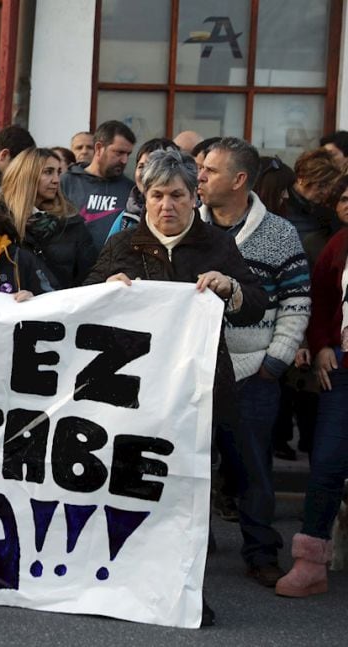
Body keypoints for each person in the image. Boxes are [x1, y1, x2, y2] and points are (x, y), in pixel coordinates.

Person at [84, 149, 267, 627]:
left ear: (195, 197)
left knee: (188, 491)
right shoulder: (123, 244)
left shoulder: (217, 245)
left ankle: (186, 593)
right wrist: (107, 291)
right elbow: (83, 302)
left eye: (178, 196)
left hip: (198, 392)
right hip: (136, 395)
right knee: (133, 487)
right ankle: (125, 583)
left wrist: (230, 287)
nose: (167, 205)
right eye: (157, 195)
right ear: (144, 197)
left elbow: (255, 306)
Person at [197, 137, 312, 587]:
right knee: (189, 464)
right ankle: (192, 547)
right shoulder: (189, 226)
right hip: (195, 372)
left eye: (210, 170)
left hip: (253, 374)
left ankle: (261, 552)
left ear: (240, 180)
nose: (200, 176)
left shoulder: (280, 233)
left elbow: (297, 300)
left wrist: (276, 361)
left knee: (254, 470)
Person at [276, 178, 348, 598]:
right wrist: (321, 344)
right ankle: (311, 562)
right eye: (343, 198)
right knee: (326, 463)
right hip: (343, 371)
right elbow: (319, 301)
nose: (346, 205)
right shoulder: (338, 245)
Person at [0, 148, 96, 288]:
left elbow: (90, 276)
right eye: (48, 172)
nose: (56, 180)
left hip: (60, 306)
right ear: (26, 175)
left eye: (58, 173)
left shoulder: (72, 223)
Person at [60, 120, 136, 251]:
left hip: (113, 268)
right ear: (99, 148)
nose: (124, 160)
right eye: (118, 153)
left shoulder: (131, 190)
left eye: (128, 154)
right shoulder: (67, 182)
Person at [105, 138, 179, 237]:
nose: (145, 173)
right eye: (141, 166)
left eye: (152, 166)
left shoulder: (189, 215)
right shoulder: (126, 219)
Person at [281, 149, 342, 267]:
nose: (325, 191)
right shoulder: (280, 205)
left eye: (329, 185)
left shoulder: (325, 211)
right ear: (301, 178)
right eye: (321, 185)